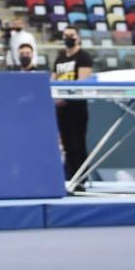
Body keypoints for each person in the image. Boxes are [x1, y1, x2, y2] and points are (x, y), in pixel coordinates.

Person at [52, 29, 94, 187]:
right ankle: (70, 179)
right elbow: (53, 79)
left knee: (78, 144)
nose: (68, 38)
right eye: (66, 36)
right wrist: (56, 97)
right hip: (61, 108)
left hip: (76, 106)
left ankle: (82, 180)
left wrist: (66, 96)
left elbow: (82, 81)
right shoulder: (60, 58)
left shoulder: (83, 57)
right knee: (67, 145)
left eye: (72, 36)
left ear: (78, 38)